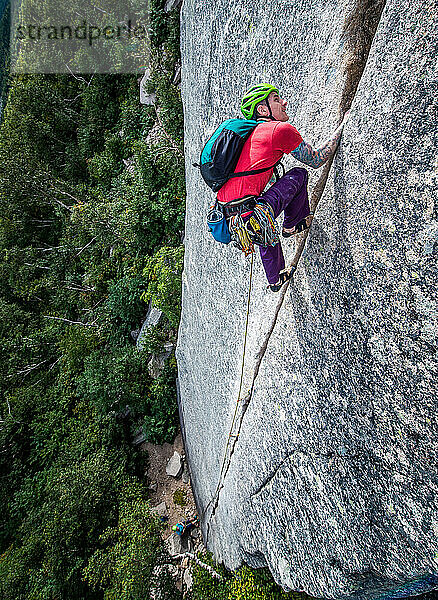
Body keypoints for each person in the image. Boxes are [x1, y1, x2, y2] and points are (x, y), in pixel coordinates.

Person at [217, 84, 349, 292]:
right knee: (298, 175)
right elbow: (315, 160)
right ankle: (293, 224)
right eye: (277, 99)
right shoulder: (279, 130)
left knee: (261, 225)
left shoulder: (248, 138)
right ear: (263, 110)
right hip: (247, 213)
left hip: (225, 216)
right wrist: (343, 126)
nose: (284, 102)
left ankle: (275, 280)